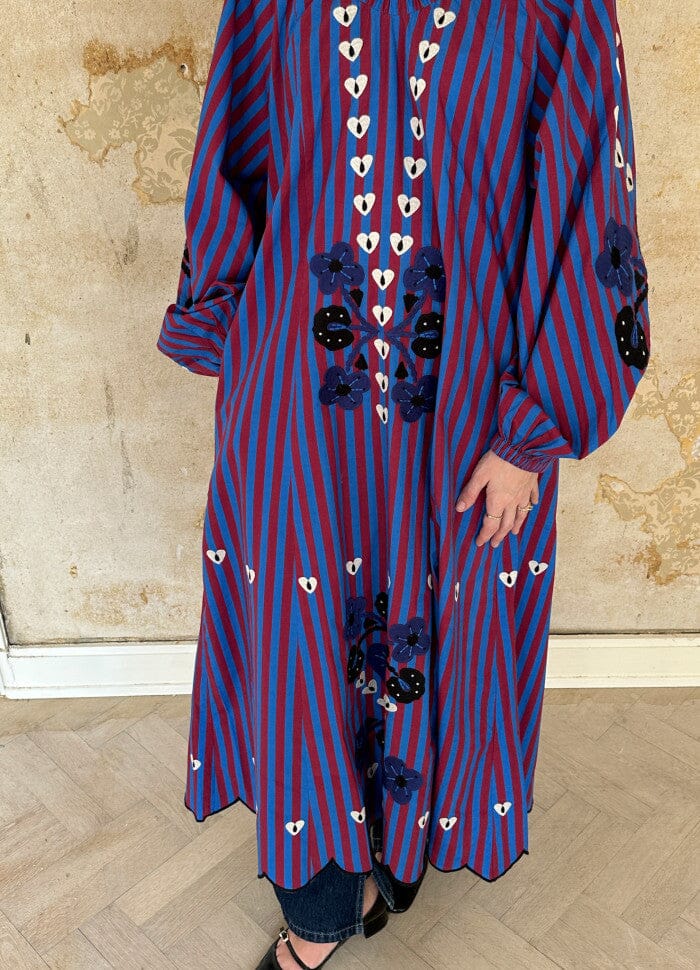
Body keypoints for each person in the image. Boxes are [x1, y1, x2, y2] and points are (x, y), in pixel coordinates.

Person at [156, 0, 651, 965]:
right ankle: (319, 912)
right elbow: (232, 149)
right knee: (297, 637)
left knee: (448, 626)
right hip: (297, 399)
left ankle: (400, 853)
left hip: (467, 408)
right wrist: (225, 329)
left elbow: (591, 195)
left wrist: (533, 431)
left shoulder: (556, 11)